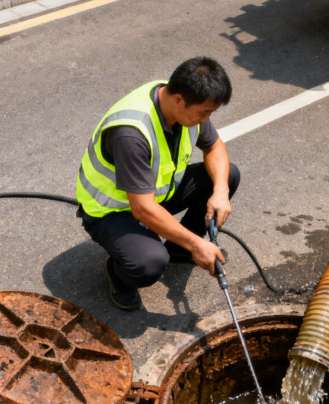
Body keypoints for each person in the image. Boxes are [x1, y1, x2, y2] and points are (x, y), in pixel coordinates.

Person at [76, 56, 239, 311]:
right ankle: (119, 275)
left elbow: (214, 146)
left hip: (154, 196)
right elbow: (142, 209)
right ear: (179, 100)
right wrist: (198, 244)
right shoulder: (132, 133)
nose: (206, 120)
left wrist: (220, 191)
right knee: (148, 263)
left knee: (226, 176)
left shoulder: (181, 97)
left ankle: (178, 248)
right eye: (204, 112)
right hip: (113, 211)